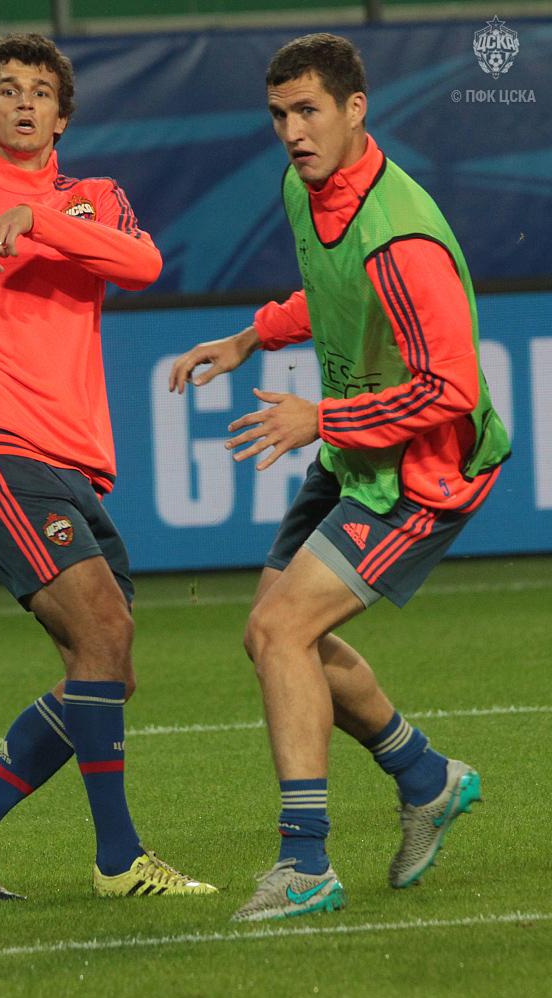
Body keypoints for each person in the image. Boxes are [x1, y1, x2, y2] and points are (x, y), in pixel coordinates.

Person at [169, 33, 510, 921]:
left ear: (357, 109)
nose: (292, 131)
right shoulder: (305, 187)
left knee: (281, 629)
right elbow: (333, 295)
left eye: (308, 110)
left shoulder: (403, 234)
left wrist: (318, 418)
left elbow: (450, 389)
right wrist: (252, 336)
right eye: (279, 114)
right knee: (275, 638)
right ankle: (425, 777)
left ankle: (306, 863)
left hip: (425, 473)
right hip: (357, 450)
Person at [0, 32, 216, 902]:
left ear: (61, 116)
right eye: (7, 89)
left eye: (40, 90)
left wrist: (37, 220)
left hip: (79, 463)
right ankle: (119, 862)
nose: (24, 101)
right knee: (104, 634)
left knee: (107, 670)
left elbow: (142, 263)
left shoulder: (95, 199)